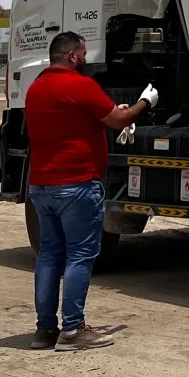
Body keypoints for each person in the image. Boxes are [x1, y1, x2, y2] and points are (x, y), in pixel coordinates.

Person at [24, 32, 157, 350]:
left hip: (42, 185)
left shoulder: (36, 87)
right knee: (80, 255)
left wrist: (106, 115)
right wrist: (145, 102)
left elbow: (73, 119)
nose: (85, 59)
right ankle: (73, 330)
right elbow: (120, 119)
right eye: (82, 54)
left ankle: (45, 330)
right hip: (76, 185)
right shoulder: (79, 84)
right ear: (71, 56)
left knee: (49, 256)